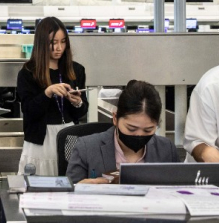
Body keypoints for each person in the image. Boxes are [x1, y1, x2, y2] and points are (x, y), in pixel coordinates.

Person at [67, 80, 178, 184]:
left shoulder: (166, 149)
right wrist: (83, 187)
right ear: (115, 118)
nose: (139, 135)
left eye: (148, 130)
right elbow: (68, 195)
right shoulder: (86, 148)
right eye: (131, 129)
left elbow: (178, 191)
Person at [17, 17, 88, 176]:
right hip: (41, 139)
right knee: (39, 186)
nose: (59, 48)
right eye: (53, 42)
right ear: (42, 43)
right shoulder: (29, 73)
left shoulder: (76, 70)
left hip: (70, 134)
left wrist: (77, 103)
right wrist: (47, 93)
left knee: (69, 180)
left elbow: (82, 111)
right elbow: (28, 110)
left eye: (63, 42)